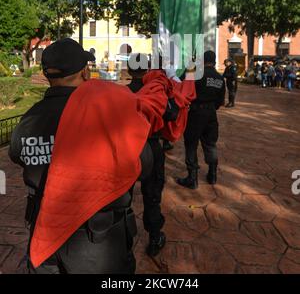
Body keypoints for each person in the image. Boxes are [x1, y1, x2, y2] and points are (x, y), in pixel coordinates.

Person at [9, 38, 167, 274]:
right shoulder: (110, 114)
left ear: (46, 74)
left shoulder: (30, 118)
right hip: (99, 242)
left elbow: (17, 154)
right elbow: (144, 166)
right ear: (84, 72)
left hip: (45, 233)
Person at [127, 53, 166, 257]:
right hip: (152, 146)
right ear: (148, 69)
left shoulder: (123, 94)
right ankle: (154, 238)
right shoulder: (157, 92)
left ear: (129, 70)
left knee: (124, 194)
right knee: (152, 195)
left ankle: (123, 239)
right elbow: (170, 116)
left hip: (130, 149)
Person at [176, 51, 225, 189]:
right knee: (210, 144)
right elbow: (220, 101)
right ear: (214, 61)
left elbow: (182, 85)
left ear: (203, 60)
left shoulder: (196, 73)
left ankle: (192, 178)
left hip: (196, 113)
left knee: (191, 143)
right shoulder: (220, 78)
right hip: (211, 114)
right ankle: (212, 175)